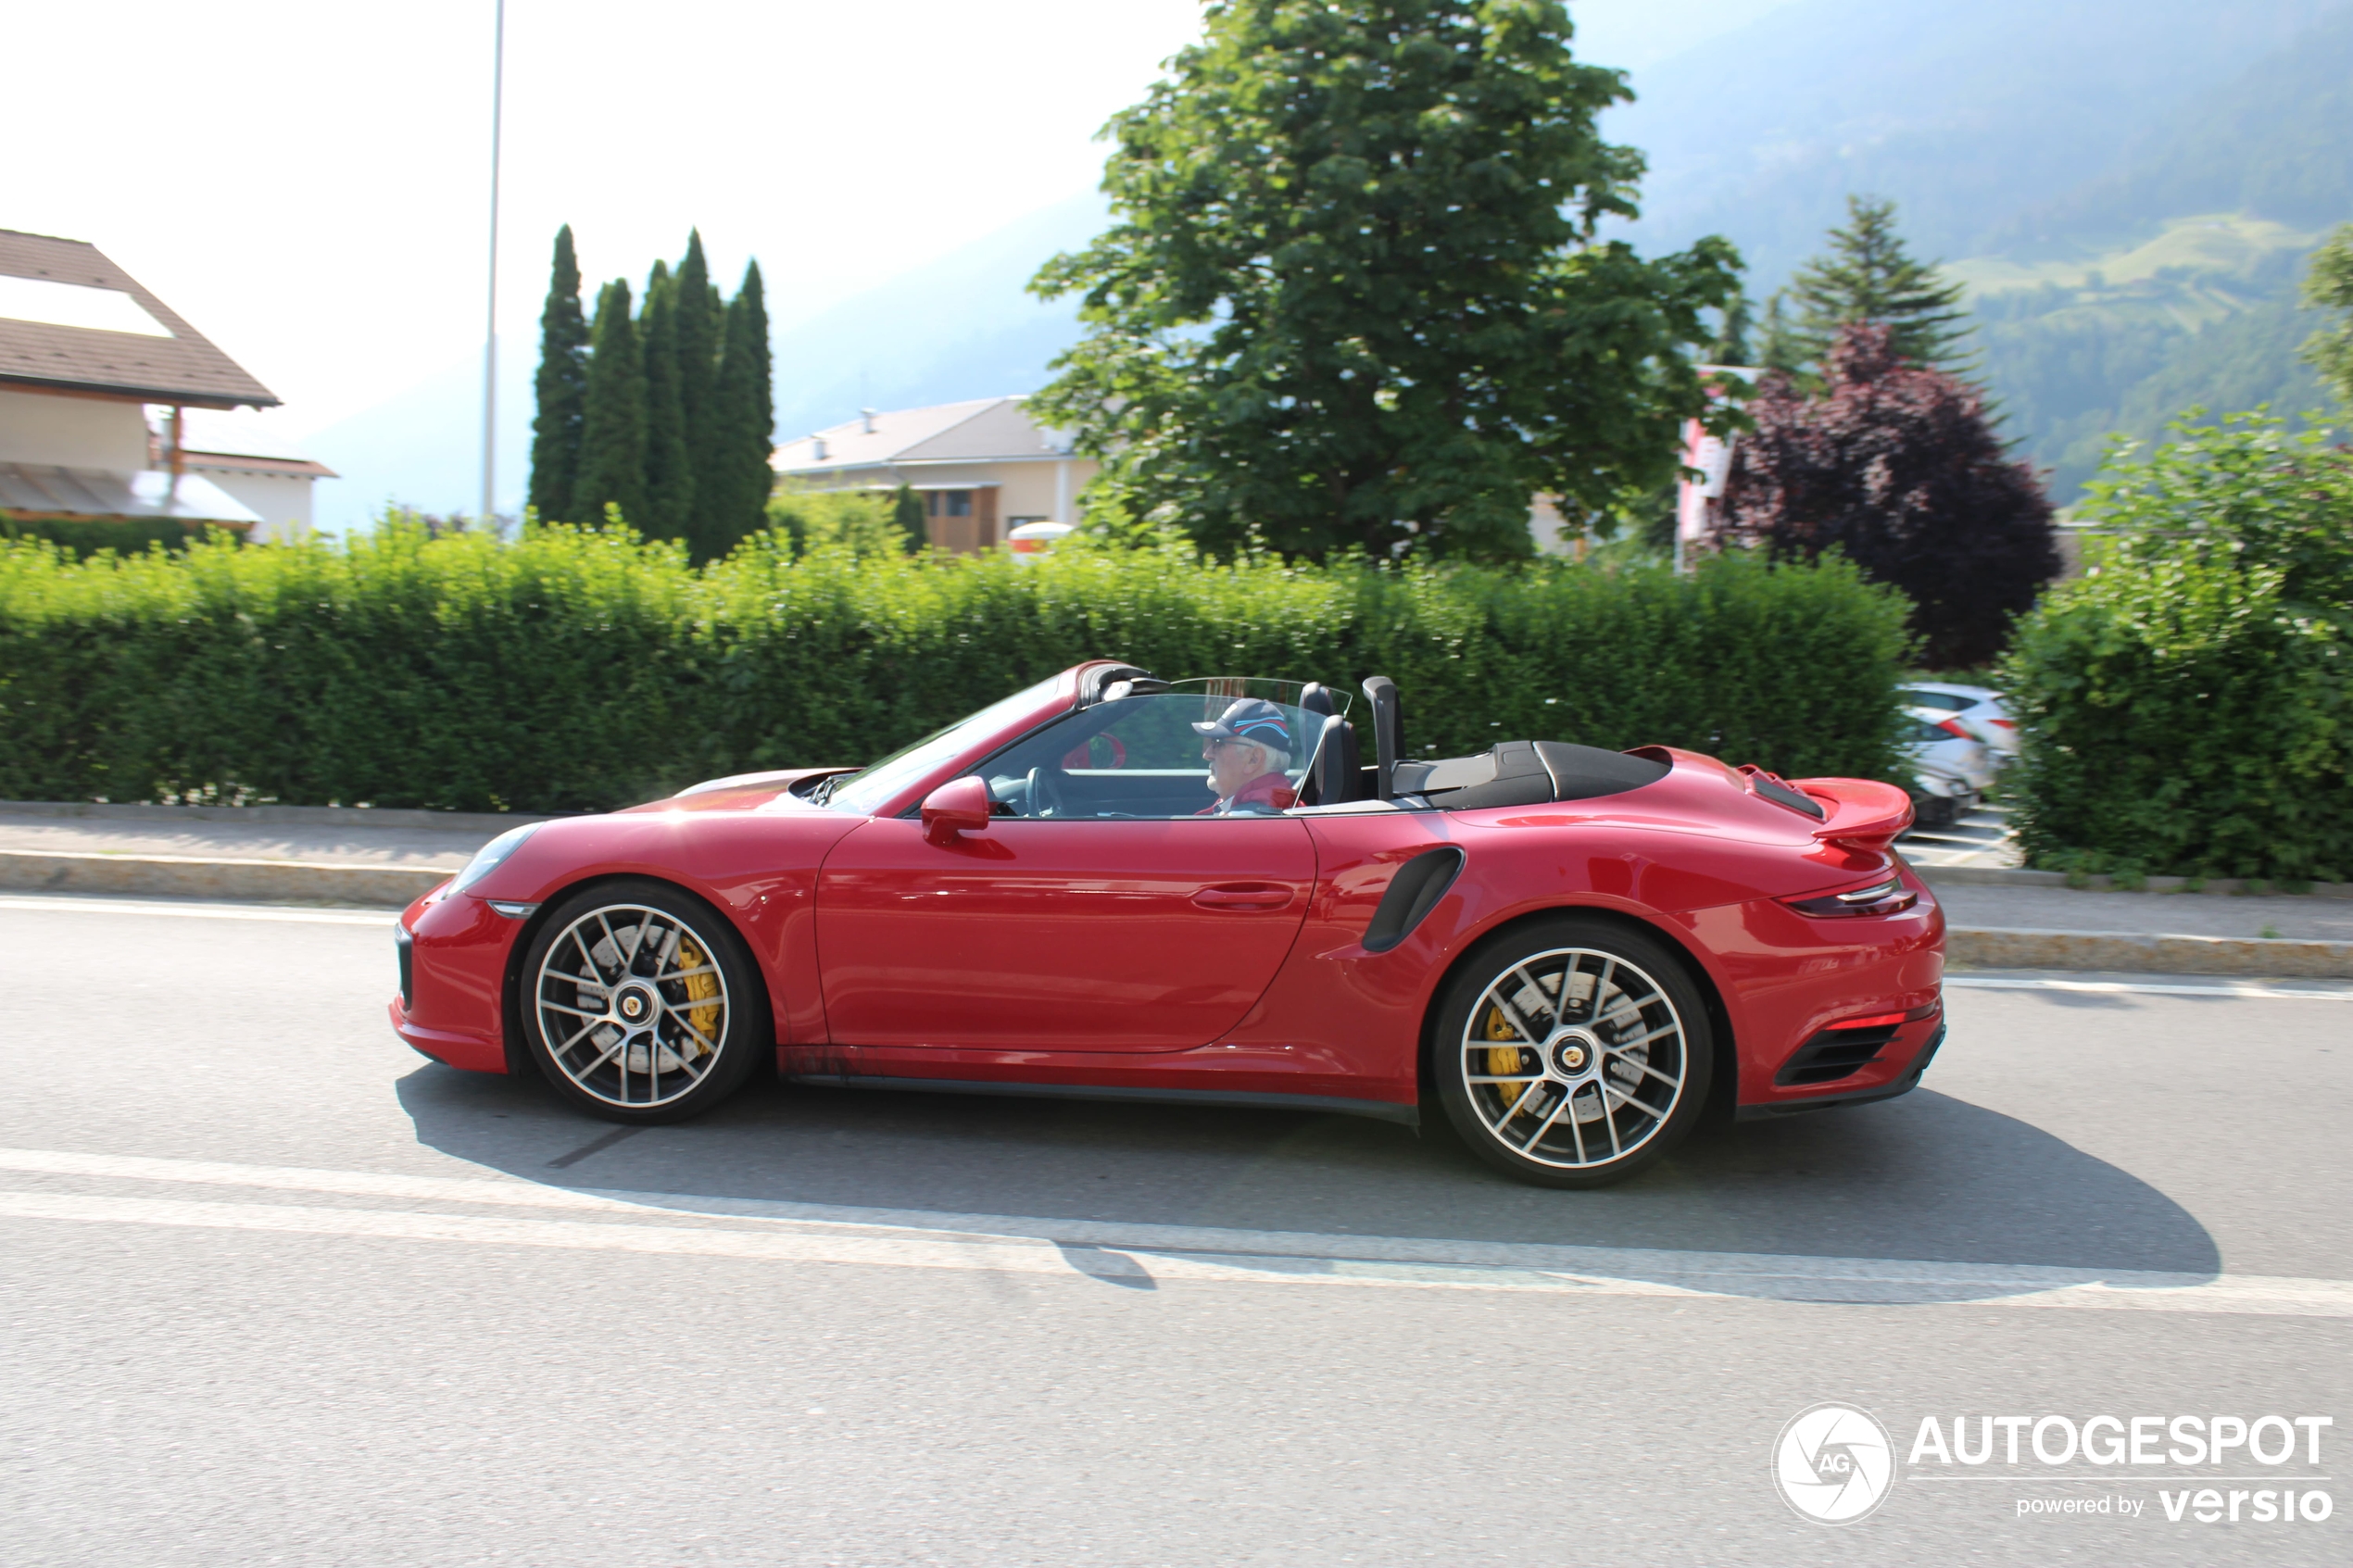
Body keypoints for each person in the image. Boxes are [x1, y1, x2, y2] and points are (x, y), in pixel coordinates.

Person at [1191, 698, 1297, 815]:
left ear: (1253, 759)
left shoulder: (1244, 818)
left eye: (1219, 743)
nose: (1207, 755)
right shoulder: (1272, 804)